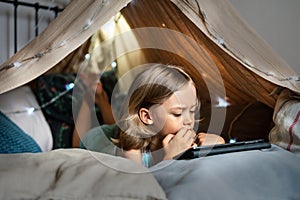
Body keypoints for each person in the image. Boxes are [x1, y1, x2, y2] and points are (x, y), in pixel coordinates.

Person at [78, 64, 225, 167]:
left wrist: (218, 143)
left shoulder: (182, 134)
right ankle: (89, 98)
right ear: (147, 117)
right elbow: (142, 191)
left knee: (121, 124)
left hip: (124, 128)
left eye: (192, 111)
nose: (189, 121)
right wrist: (170, 159)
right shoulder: (130, 153)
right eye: (178, 113)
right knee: (78, 143)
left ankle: (100, 97)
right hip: (95, 141)